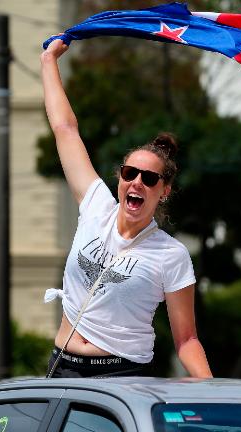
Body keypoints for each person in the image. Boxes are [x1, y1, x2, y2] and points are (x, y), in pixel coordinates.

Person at [41, 39, 213, 379]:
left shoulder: (171, 255)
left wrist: (214, 395)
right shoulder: (95, 208)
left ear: (163, 191)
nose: (137, 182)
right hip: (63, 366)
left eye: (149, 179)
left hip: (122, 373)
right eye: (129, 173)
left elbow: (187, 338)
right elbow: (65, 129)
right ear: (120, 178)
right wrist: (49, 61)